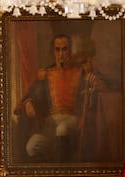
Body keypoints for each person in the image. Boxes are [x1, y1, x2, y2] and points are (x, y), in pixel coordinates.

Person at [14, 34, 106, 163]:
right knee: (32, 146)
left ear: (70, 50)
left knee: (62, 128)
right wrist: (28, 102)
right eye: (58, 49)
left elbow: (101, 83)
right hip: (50, 122)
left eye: (65, 49)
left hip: (74, 119)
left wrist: (97, 83)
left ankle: (64, 170)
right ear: (53, 52)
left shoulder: (82, 70)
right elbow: (32, 93)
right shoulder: (45, 74)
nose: (61, 54)